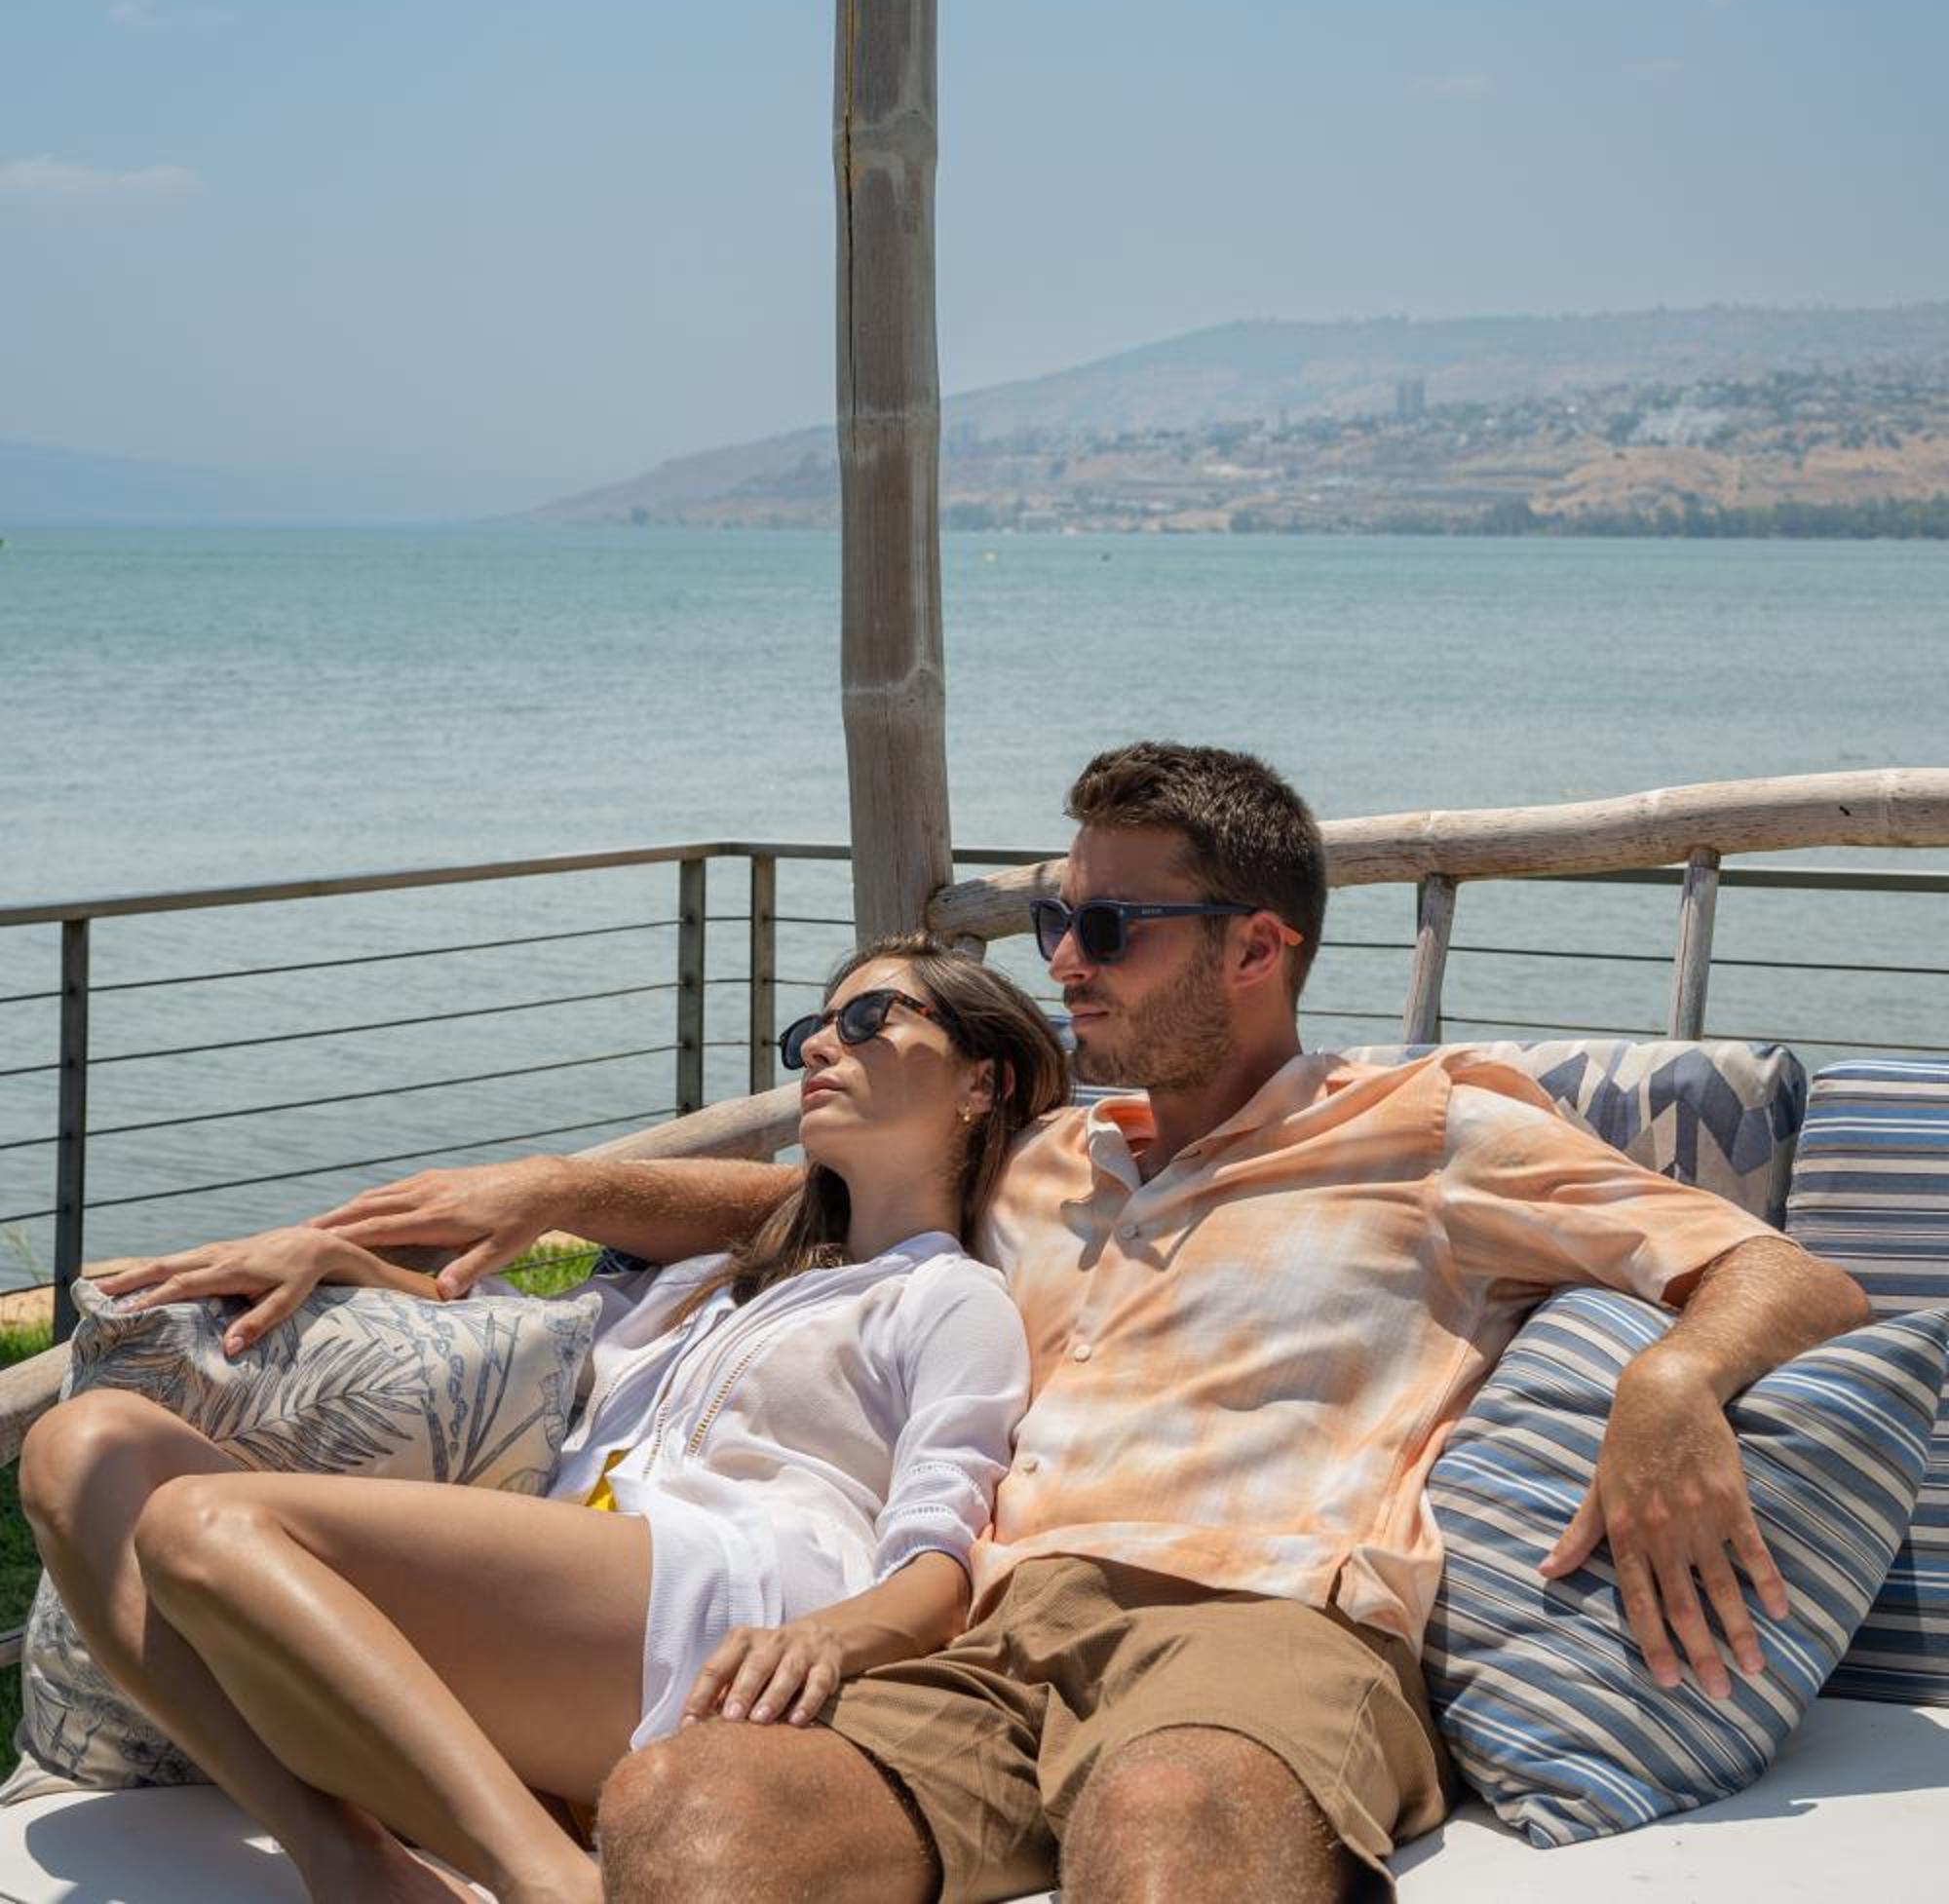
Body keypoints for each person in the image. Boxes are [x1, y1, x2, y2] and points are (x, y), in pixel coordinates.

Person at [321, 742, 1871, 1904]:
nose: (1063, 960)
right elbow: (796, 1204)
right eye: (1058, 918)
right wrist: (548, 1190)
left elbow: (1790, 1277)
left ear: (1256, 948)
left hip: (1262, 1626)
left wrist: (1673, 1381)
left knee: (1167, 1817)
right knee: (689, 1801)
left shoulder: (1431, 1127)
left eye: (1111, 926)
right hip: (986, 1637)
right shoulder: (1051, 1159)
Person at [19, 940, 1066, 1904]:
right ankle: (354, 1858)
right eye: (811, 1030)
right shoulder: (713, 1281)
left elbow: (940, 1556)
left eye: (871, 1018)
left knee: (205, 1524)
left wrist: (825, 1638)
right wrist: (338, 1260)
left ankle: (545, 1883)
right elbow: (533, 1352)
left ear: (983, 1082)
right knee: (83, 1448)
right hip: (571, 1582)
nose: (823, 1046)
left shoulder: (950, 1299)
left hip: (727, 1604)